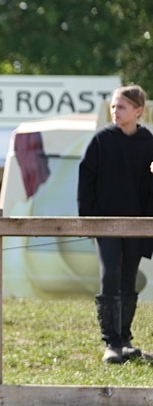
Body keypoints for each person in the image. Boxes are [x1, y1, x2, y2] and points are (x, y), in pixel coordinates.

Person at [76, 84, 153, 364]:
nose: (115, 111)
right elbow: (86, 178)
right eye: (112, 106)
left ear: (138, 110)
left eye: (121, 106)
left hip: (138, 224)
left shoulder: (149, 142)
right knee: (110, 274)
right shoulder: (102, 140)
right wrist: (89, 219)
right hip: (106, 223)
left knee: (128, 278)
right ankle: (111, 342)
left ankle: (125, 340)